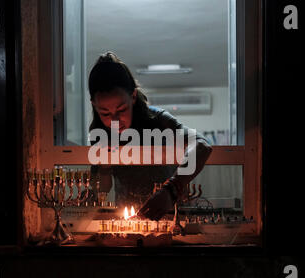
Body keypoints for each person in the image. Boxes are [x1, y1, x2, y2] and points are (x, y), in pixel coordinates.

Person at [88, 52, 212, 220]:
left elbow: (202, 145)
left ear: (132, 97)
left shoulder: (157, 119)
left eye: (121, 110)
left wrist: (171, 190)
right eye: (105, 113)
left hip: (168, 217)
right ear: (94, 106)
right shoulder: (99, 131)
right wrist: (104, 167)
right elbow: (102, 189)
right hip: (127, 222)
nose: (115, 120)